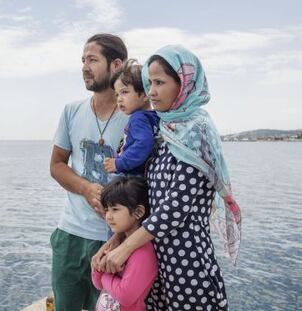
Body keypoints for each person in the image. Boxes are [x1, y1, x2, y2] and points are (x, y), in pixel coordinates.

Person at [93, 45, 242, 310]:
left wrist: (125, 249)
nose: (151, 91)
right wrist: (117, 239)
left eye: (159, 83)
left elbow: (174, 209)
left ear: (183, 84)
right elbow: (147, 200)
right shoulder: (165, 130)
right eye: (150, 83)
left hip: (187, 264)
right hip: (155, 259)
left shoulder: (196, 134)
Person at [49, 33, 129, 311]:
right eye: (83, 60)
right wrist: (86, 188)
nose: (84, 66)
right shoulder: (71, 111)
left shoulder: (135, 118)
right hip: (69, 235)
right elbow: (57, 165)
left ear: (116, 64)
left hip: (114, 240)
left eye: (92, 59)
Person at [91, 176, 158, 311]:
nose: (108, 216)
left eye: (115, 209)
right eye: (107, 209)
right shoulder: (117, 244)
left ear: (138, 212)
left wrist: (104, 274)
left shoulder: (142, 252)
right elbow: (98, 284)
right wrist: (97, 267)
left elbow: (125, 296)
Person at [103, 59, 159, 176]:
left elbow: (143, 143)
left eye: (124, 92)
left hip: (135, 178)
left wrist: (119, 163)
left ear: (145, 94)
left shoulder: (138, 118)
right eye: (117, 94)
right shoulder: (156, 116)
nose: (119, 99)